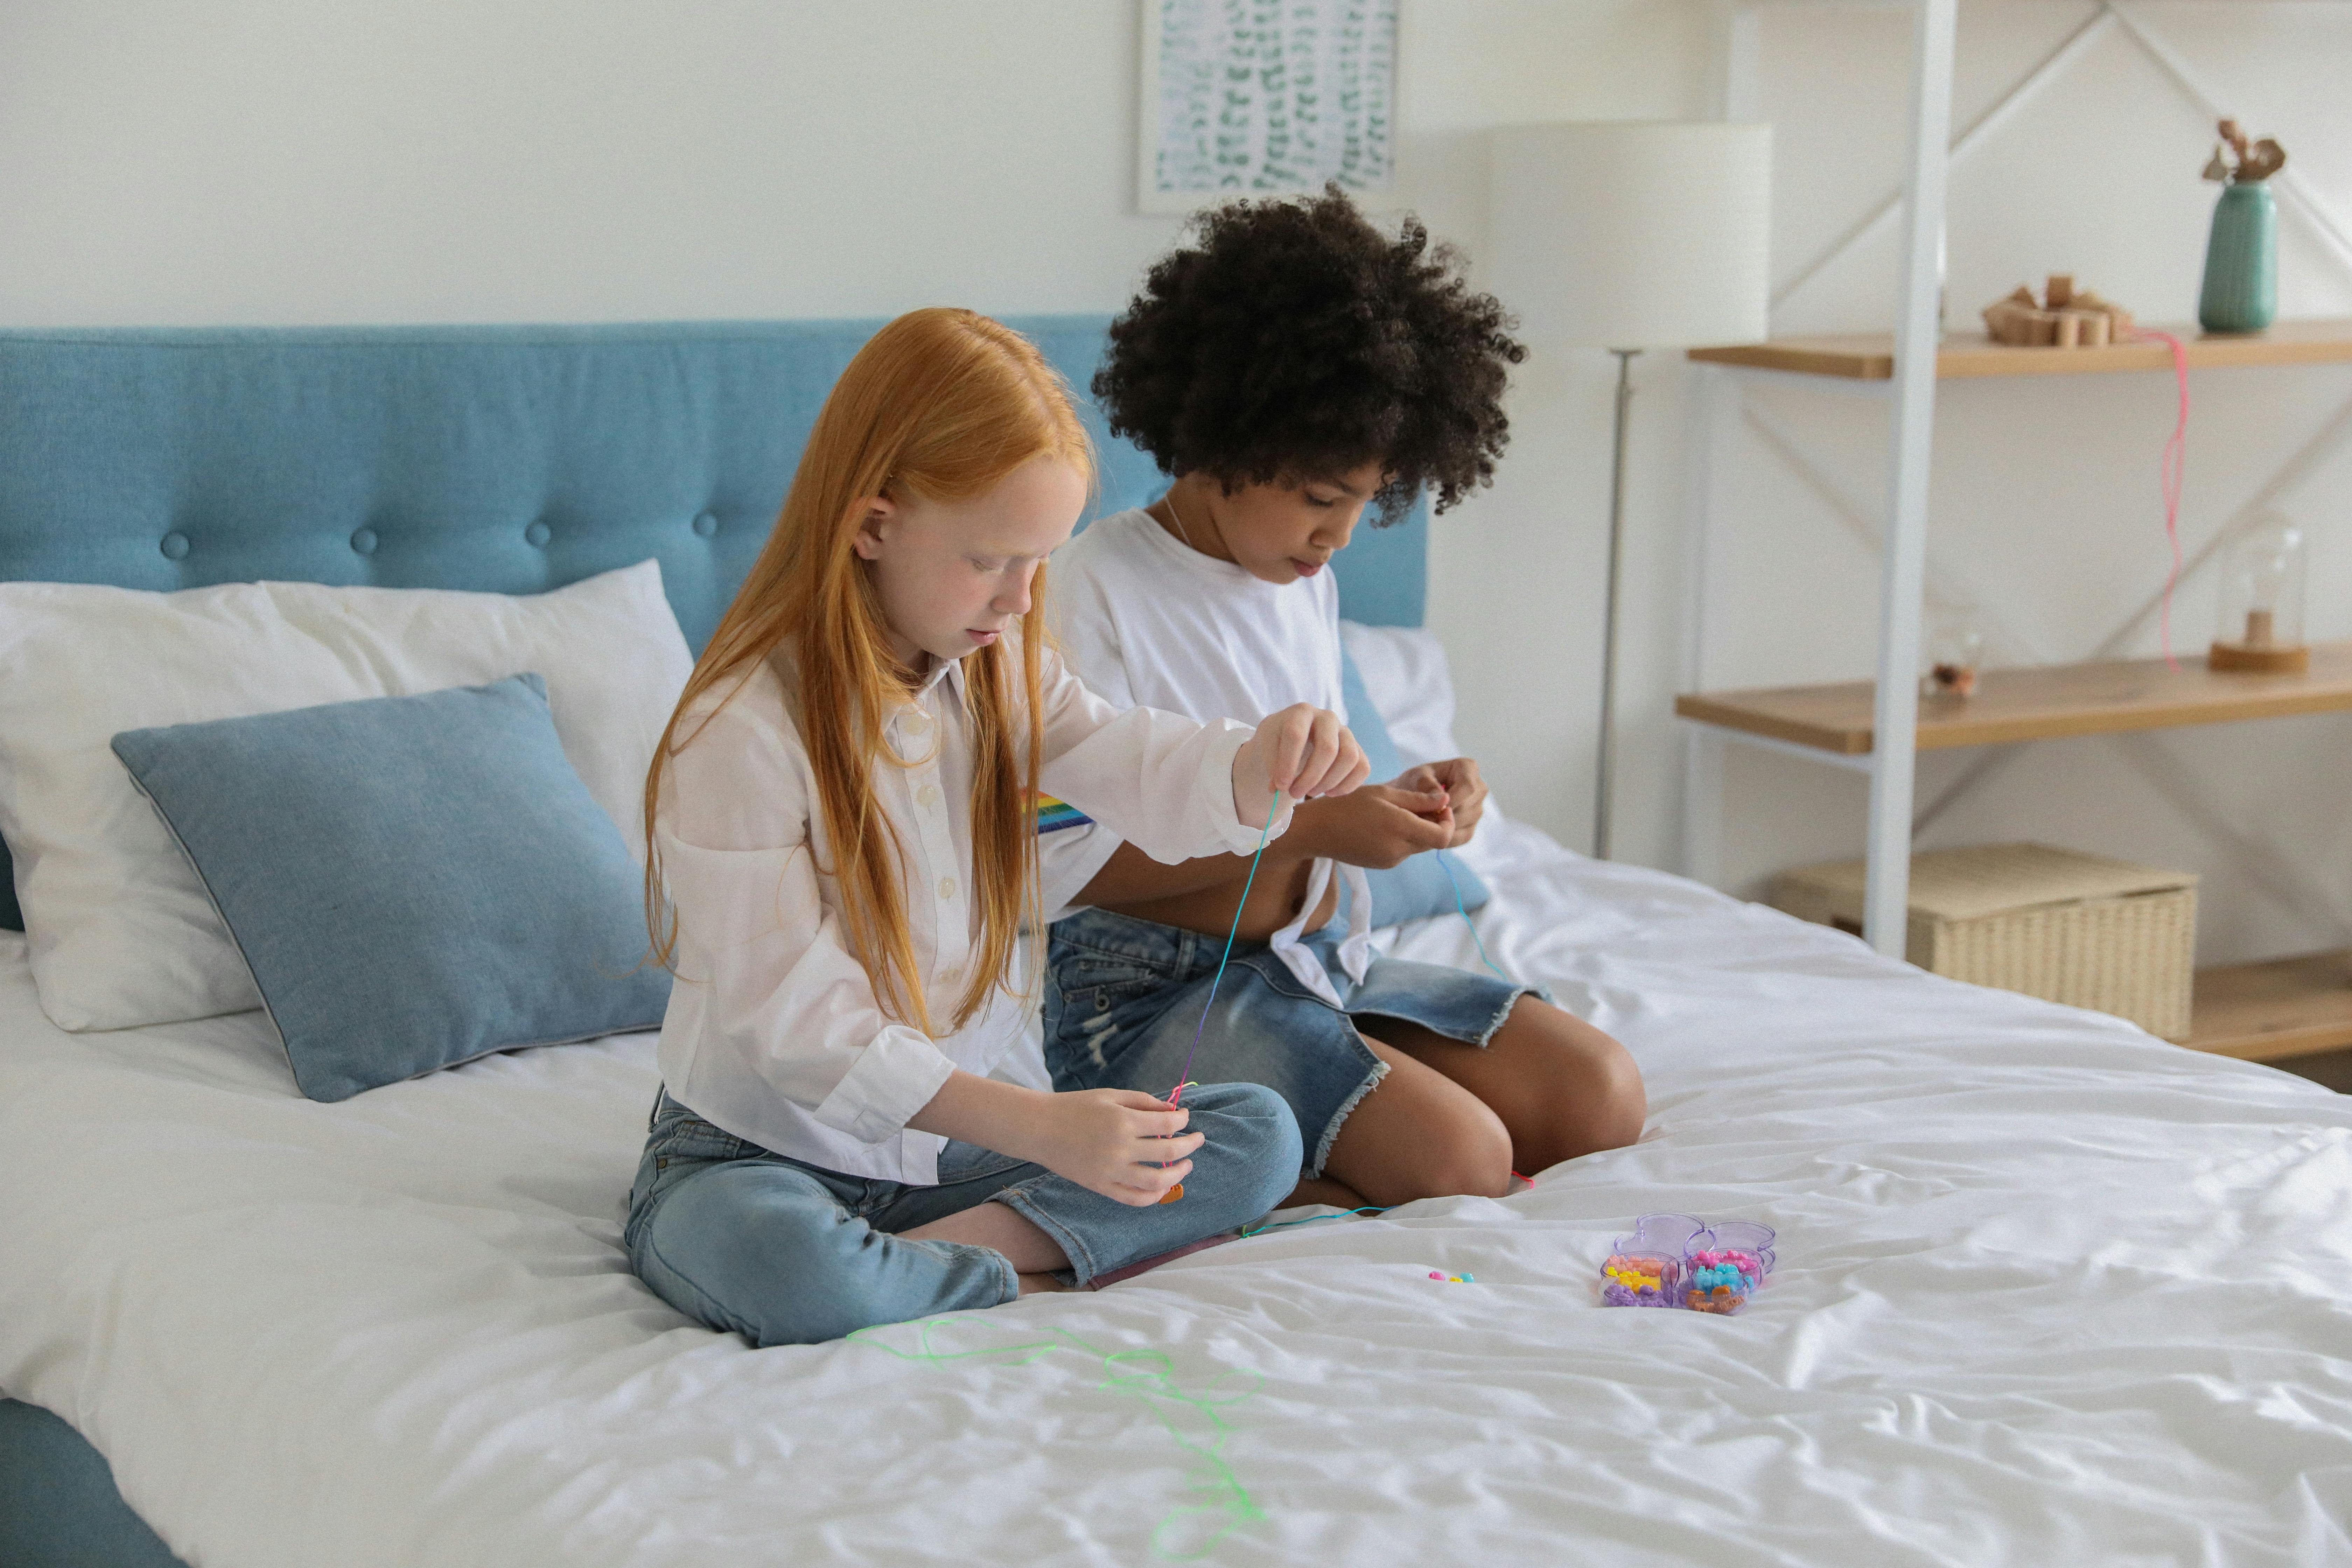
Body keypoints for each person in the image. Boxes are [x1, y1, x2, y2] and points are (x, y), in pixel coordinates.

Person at [626, 308, 1367, 1346]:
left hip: (938, 1163)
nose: (1022, 602)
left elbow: (1131, 759)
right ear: (874, 524)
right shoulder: (741, 727)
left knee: (1256, 1135)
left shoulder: (993, 669)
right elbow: (793, 1020)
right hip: (752, 1156)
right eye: (991, 561)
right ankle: (1015, 1269)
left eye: (1041, 565)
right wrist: (1041, 1129)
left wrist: (1257, 759)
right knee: (779, 1261)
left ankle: (926, 1266)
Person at [1037, 190, 1647, 1213]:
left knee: (1602, 1097)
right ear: (1221, 437)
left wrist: (1407, 806)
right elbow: (1060, 867)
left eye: (1370, 502)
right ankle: (1240, 1178)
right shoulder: (1088, 592)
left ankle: (1329, 1102)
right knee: (1461, 1163)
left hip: (1309, 961)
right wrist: (1311, 829)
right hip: (1141, 998)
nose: (1342, 540)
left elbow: (1317, 795)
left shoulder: (1301, 586)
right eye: (1324, 500)